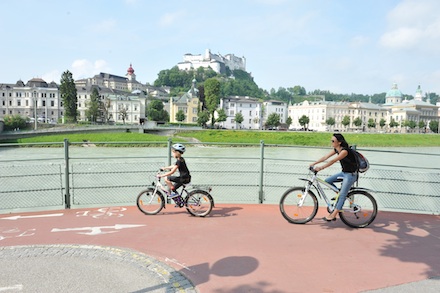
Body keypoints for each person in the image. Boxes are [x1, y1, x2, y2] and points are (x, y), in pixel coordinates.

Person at [309, 133, 358, 221]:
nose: (331, 142)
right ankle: (340, 194)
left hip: (350, 175)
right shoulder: (336, 149)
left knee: (342, 195)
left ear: (339, 142)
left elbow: (333, 161)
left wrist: (320, 168)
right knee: (327, 181)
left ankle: (333, 215)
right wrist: (314, 163)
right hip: (344, 173)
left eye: (333, 141)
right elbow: (325, 157)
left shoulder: (344, 151)